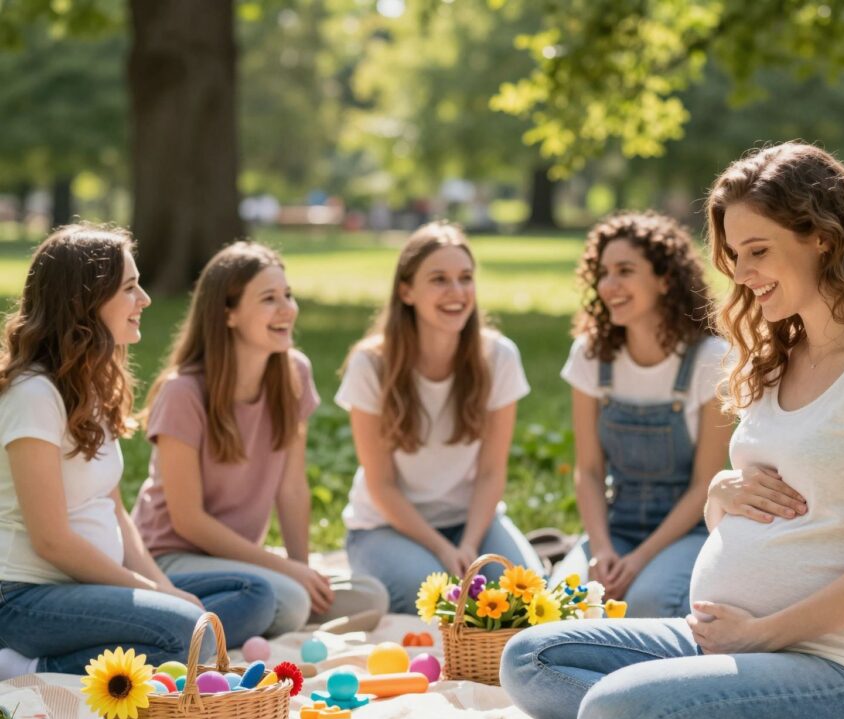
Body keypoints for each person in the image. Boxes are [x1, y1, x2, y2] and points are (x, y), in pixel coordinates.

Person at [501, 142, 844, 719]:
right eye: (734, 256)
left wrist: (763, 635)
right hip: (733, 640)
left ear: (822, 238)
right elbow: (750, 503)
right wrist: (721, 493)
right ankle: (690, 709)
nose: (742, 273)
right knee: (529, 660)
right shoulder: (782, 354)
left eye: (758, 251)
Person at [0, 224, 274, 678]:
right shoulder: (33, 394)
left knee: (254, 593)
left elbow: (114, 509)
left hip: (90, 585)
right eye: (130, 288)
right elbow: (51, 540)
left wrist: (162, 586)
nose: (145, 299)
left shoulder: (89, 384)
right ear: (85, 302)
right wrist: (150, 591)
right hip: (27, 597)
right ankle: (25, 666)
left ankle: (138, 636)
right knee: (190, 634)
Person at [133, 242, 388, 637]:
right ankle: (182, 619)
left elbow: (291, 489)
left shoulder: (293, 373)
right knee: (283, 597)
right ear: (228, 314)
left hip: (238, 561)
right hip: (170, 557)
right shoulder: (183, 392)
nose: (287, 308)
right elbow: (188, 520)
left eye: (287, 294)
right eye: (269, 299)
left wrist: (303, 569)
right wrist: (286, 571)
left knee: (371, 594)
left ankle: (287, 611)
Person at [338, 221, 543, 613]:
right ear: (406, 291)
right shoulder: (371, 364)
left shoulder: (498, 357)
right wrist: (441, 548)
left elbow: (490, 473)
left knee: (526, 601)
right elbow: (381, 485)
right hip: (384, 527)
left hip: (472, 522)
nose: (457, 292)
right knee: (446, 601)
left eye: (465, 278)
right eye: (439, 280)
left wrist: (467, 544)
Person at [553, 211, 732, 615]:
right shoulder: (590, 355)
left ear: (665, 279)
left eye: (625, 271)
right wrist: (601, 549)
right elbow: (590, 471)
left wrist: (639, 559)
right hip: (615, 527)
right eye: (603, 273)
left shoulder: (710, 359)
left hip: (690, 528)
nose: (608, 285)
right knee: (563, 603)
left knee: (649, 602)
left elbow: (706, 483)